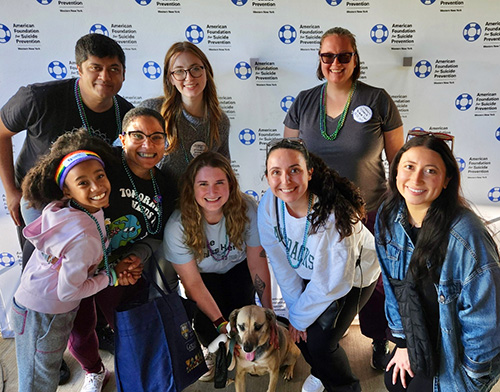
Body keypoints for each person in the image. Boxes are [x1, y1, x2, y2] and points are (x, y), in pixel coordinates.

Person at [0, 33, 133, 383]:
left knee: (80, 283)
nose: (105, 76)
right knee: (43, 287)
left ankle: (81, 341)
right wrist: (11, 191)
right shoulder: (38, 98)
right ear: (79, 68)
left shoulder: (126, 113)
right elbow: (1, 132)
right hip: (39, 208)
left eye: (114, 69)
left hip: (88, 211)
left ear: (123, 74)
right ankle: (46, 352)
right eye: (96, 68)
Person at [283, 26, 404, 369]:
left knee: (376, 284)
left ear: (355, 59)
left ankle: (380, 340)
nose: (335, 63)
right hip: (317, 216)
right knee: (320, 278)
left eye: (344, 55)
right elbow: (288, 160)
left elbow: (399, 164)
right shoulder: (304, 102)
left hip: (370, 211)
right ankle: (321, 344)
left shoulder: (377, 99)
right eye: (328, 56)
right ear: (319, 60)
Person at [10, 131, 138, 392]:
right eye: (83, 183)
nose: (96, 187)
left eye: (99, 176)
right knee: (37, 384)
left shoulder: (72, 208)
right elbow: (68, 290)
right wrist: (110, 277)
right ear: (67, 190)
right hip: (43, 316)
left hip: (40, 310)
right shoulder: (83, 235)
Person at [375, 133, 500, 392]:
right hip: (420, 329)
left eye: (430, 171)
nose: (416, 179)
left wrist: (472, 376)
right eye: (409, 167)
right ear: (396, 171)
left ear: (446, 181)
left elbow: (484, 320)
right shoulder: (388, 216)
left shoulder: (466, 235)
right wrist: (402, 343)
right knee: (394, 381)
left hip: (457, 347)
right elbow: (392, 286)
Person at [258, 139, 381, 392]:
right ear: (267, 177)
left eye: (295, 170)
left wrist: (299, 319)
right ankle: (322, 372)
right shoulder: (269, 206)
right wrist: (295, 315)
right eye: (276, 172)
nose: (286, 180)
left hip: (354, 277)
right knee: (300, 335)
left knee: (321, 344)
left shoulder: (335, 217)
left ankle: (346, 387)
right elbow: (281, 264)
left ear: (309, 172)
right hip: (312, 272)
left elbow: (335, 282)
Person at [67, 108, 176, 392]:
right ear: (122, 139)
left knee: (130, 329)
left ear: (166, 142)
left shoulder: (165, 184)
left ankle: (136, 375)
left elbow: (157, 237)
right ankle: (93, 370)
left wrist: (134, 258)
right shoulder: (103, 167)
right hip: (79, 263)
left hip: (122, 269)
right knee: (79, 330)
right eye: (137, 136)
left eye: (156, 137)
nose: (147, 145)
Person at [163, 151, 272, 381]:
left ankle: (248, 353)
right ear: (191, 188)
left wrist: (268, 311)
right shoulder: (177, 226)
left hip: (238, 268)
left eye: (219, 182)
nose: (212, 192)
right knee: (206, 322)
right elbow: (191, 282)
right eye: (203, 184)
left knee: (246, 317)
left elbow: (257, 262)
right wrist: (220, 323)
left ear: (230, 185)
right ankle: (211, 350)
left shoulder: (247, 208)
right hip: (204, 277)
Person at [139, 41, 230, 192]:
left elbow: (223, 172)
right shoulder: (152, 110)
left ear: (206, 72)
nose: (189, 78)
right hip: (155, 204)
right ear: (170, 79)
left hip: (198, 207)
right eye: (179, 71)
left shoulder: (220, 121)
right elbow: (126, 155)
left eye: (195, 69)